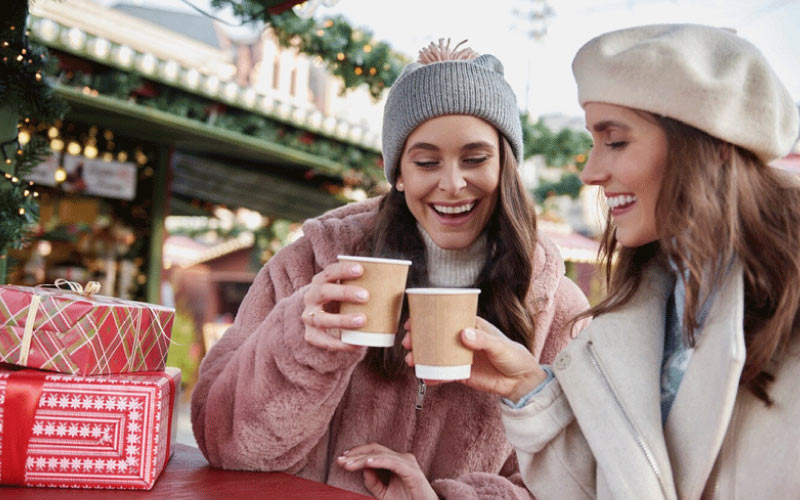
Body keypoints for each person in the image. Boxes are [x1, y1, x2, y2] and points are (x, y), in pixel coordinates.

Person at [191, 39, 588, 499]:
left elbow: (573, 485)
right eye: (426, 162)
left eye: (476, 159)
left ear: (506, 166)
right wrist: (300, 344)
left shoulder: (556, 308)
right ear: (397, 171)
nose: (453, 183)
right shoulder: (309, 266)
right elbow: (226, 446)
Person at [435, 24, 800, 499]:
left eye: (615, 141)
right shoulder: (649, 307)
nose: (590, 172)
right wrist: (528, 387)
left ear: (704, 145)